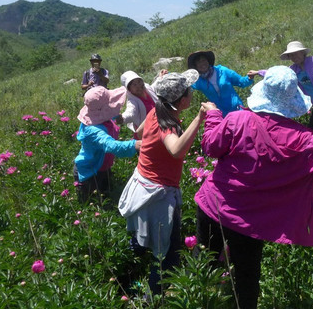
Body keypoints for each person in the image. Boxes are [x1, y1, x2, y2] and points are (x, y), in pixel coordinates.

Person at [194, 66, 313, 309]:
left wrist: (213, 116)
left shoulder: (237, 119)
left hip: (214, 206)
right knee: (246, 279)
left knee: (202, 269)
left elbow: (210, 147)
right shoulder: (305, 141)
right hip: (250, 222)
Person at [118, 69, 215, 296]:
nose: (192, 94)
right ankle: (148, 297)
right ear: (182, 100)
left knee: (141, 243)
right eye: (189, 91)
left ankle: (125, 281)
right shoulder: (167, 123)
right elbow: (176, 150)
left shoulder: (156, 112)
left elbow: (139, 133)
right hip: (157, 194)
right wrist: (199, 118)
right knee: (167, 255)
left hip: (142, 184)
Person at [248, 40, 313, 134]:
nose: (294, 57)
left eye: (296, 53)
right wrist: (258, 72)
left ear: (302, 52)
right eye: (291, 55)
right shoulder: (293, 70)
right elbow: (278, 75)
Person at [74, 86, 141, 204]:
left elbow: (108, 113)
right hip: (91, 172)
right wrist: (136, 144)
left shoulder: (99, 118)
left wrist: (118, 116)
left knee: (108, 191)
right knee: (96, 202)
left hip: (102, 166)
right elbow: (112, 146)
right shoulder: (93, 130)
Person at [187, 50, 254, 116]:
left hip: (237, 110)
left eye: (204, 60)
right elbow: (187, 87)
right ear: (195, 66)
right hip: (220, 115)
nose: (202, 64)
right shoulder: (198, 81)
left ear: (208, 61)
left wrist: (249, 77)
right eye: (198, 62)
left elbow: (241, 82)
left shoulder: (222, 71)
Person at [117, 70, 159, 136]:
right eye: (134, 84)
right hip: (147, 133)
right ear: (129, 89)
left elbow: (154, 86)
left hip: (159, 125)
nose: (138, 86)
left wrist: (160, 77)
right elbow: (130, 112)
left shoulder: (147, 88)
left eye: (139, 81)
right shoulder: (132, 101)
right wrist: (122, 118)